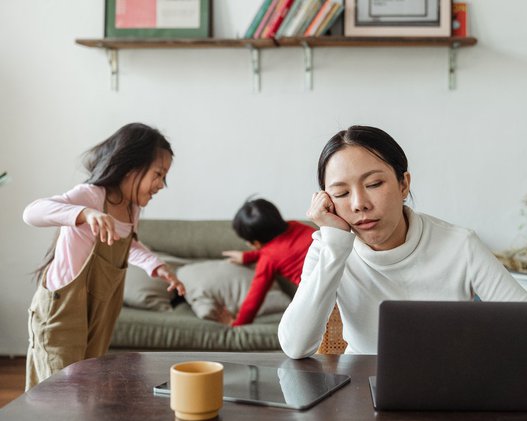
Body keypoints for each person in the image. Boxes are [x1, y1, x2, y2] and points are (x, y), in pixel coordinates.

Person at [278, 125, 527, 359]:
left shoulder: (460, 246)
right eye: (341, 193)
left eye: (374, 184)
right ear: (326, 201)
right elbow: (295, 346)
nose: (359, 204)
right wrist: (335, 244)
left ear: (404, 184)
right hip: (361, 394)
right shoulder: (330, 247)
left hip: (449, 390)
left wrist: (473, 347)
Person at [23, 122, 186, 389]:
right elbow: (31, 212)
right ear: (131, 168)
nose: (161, 185)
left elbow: (127, 245)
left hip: (99, 313)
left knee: (86, 386)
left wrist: (158, 267)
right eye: (158, 174)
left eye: (164, 177)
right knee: (58, 391)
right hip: (61, 311)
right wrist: (84, 213)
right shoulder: (90, 196)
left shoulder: (132, 209)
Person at [220, 198, 315, 327]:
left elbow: (254, 298)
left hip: (319, 296)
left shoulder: (268, 259)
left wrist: (238, 324)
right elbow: (284, 248)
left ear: (256, 243)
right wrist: (248, 257)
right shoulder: (296, 225)